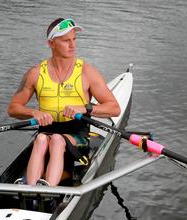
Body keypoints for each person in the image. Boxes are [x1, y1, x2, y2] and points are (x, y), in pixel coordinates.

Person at [7, 18, 121, 186]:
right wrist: (34, 112)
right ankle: (30, 190)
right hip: (46, 134)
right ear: (51, 43)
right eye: (66, 41)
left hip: (77, 138)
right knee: (41, 139)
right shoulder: (36, 73)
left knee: (57, 140)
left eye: (74, 39)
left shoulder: (86, 72)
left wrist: (84, 108)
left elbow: (114, 108)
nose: (72, 45)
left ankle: (48, 191)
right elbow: (13, 108)